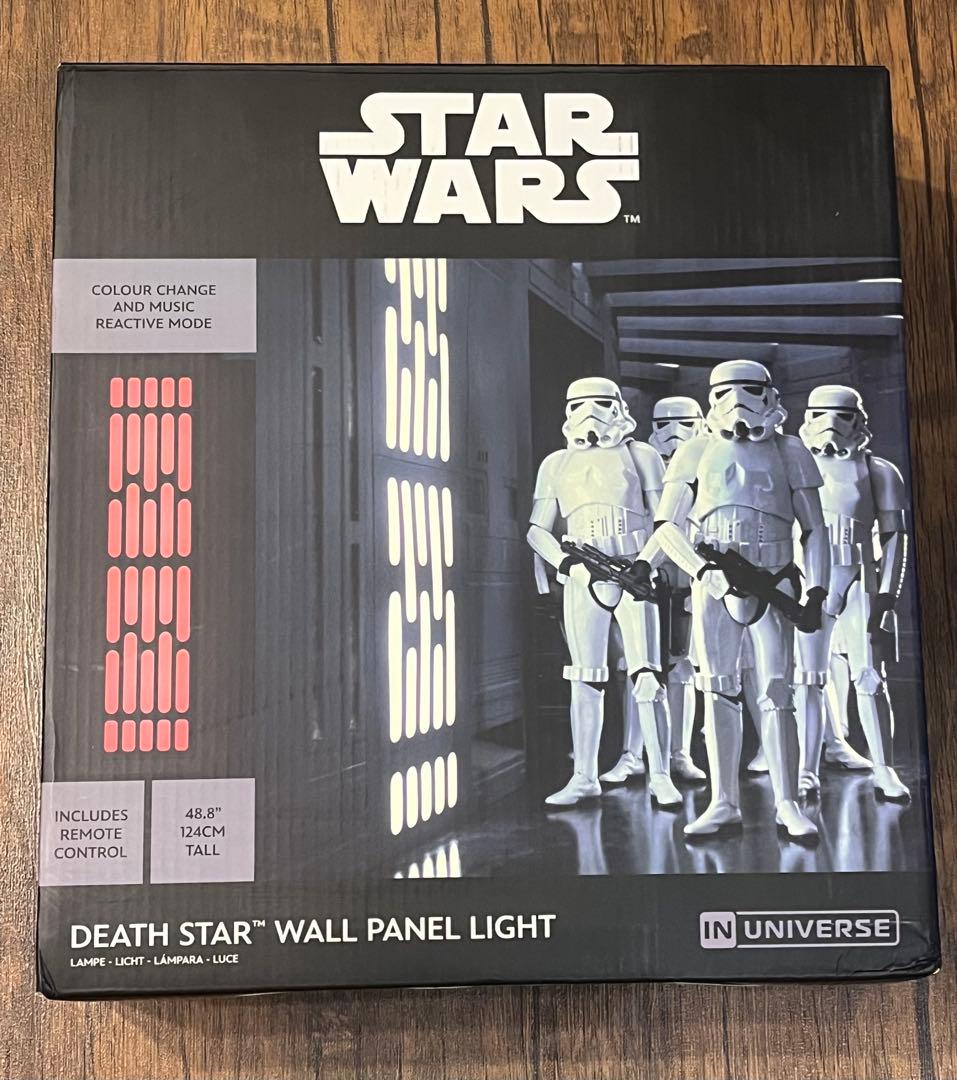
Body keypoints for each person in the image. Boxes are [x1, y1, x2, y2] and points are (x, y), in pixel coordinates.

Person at [637, 360, 828, 839]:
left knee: (777, 690)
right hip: (715, 583)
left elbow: (815, 529)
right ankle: (723, 802)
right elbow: (666, 527)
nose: (736, 402)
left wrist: (817, 589)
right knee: (717, 688)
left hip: (777, 580)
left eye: (748, 390)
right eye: (724, 392)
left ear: (769, 394)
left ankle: (787, 802)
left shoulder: (790, 450)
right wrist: (703, 571)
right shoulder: (695, 450)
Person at [527, 377, 681, 808]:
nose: (590, 414)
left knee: (647, 676)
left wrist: (646, 563)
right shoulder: (556, 464)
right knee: (585, 678)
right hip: (583, 579)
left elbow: (665, 522)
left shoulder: (641, 455)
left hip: (634, 573)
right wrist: (568, 566)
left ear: (617, 406)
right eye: (580, 405)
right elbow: (537, 530)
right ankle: (584, 776)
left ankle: (660, 774)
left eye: (600, 403)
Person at [795, 386, 909, 800]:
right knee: (807, 677)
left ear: (858, 419)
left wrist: (888, 595)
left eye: (841, 415)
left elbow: (894, 536)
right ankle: (806, 769)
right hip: (810, 576)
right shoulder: (794, 463)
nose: (830, 425)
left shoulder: (878, 470)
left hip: (860, 574)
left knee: (870, 675)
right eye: (820, 414)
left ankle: (884, 768)